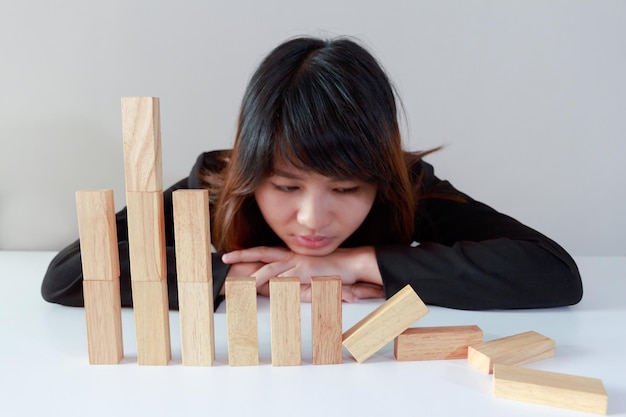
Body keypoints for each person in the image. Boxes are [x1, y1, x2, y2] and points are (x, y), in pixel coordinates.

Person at [41, 36, 583, 311]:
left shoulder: (406, 186)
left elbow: (553, 272)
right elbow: (66, 276)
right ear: (253, 171)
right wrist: (236, 279)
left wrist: (354, 262)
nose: (312, 217)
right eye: (286, 186)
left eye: (346, 189)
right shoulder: (216, 186)